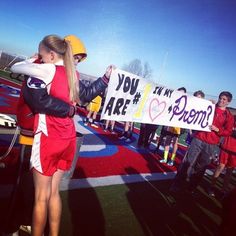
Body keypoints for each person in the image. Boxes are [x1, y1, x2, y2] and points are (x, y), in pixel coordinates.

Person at [11, 35, 113, 236]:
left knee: (39, 197)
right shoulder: (72, 75)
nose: (76, 62)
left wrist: (32, 60)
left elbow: (17, 69)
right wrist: (105, 79)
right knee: (53, 193)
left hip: (48, 138)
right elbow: (84, 95)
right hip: (67, 139)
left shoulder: (45, 69)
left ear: (51, 54)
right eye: (75, 57)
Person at [170, 91, 234, 194]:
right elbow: (196, 107)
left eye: (224, 99)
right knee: (187, 162)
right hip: (198, 138)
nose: (221, 101)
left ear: (228, 102)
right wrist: (205, 103)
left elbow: (228, 132)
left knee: (201, 167)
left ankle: (192, 187)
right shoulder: (210, 106)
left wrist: (218, 130)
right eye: (220, 98)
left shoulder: (229, 116)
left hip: (211, 144)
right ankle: (176, 184)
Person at [208, 114, 236, 197]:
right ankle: (211, 187)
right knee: (220, 167)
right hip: (226, 147)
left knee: (229, 172)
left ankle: (223, 191)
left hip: (234, 152)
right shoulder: (232, 118)